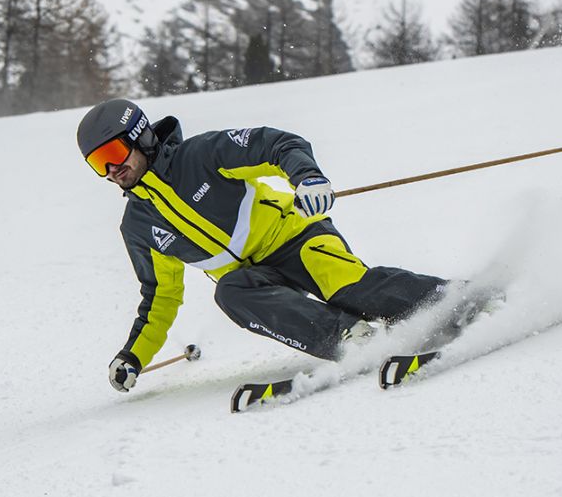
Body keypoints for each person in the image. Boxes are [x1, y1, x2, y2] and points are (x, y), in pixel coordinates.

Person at [77, 99, 453, 393]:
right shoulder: (139, 226)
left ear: (141, 137)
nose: (110, 171)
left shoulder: (202, 156)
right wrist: (133, 357)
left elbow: (276, 144)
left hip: (297, 238)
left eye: (113, 155)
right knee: (230, 291)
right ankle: (352, 339)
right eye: (98, 163)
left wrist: (307, 178)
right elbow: (160, 296)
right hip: (256, 280)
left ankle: (458, 299)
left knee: (348, 288)